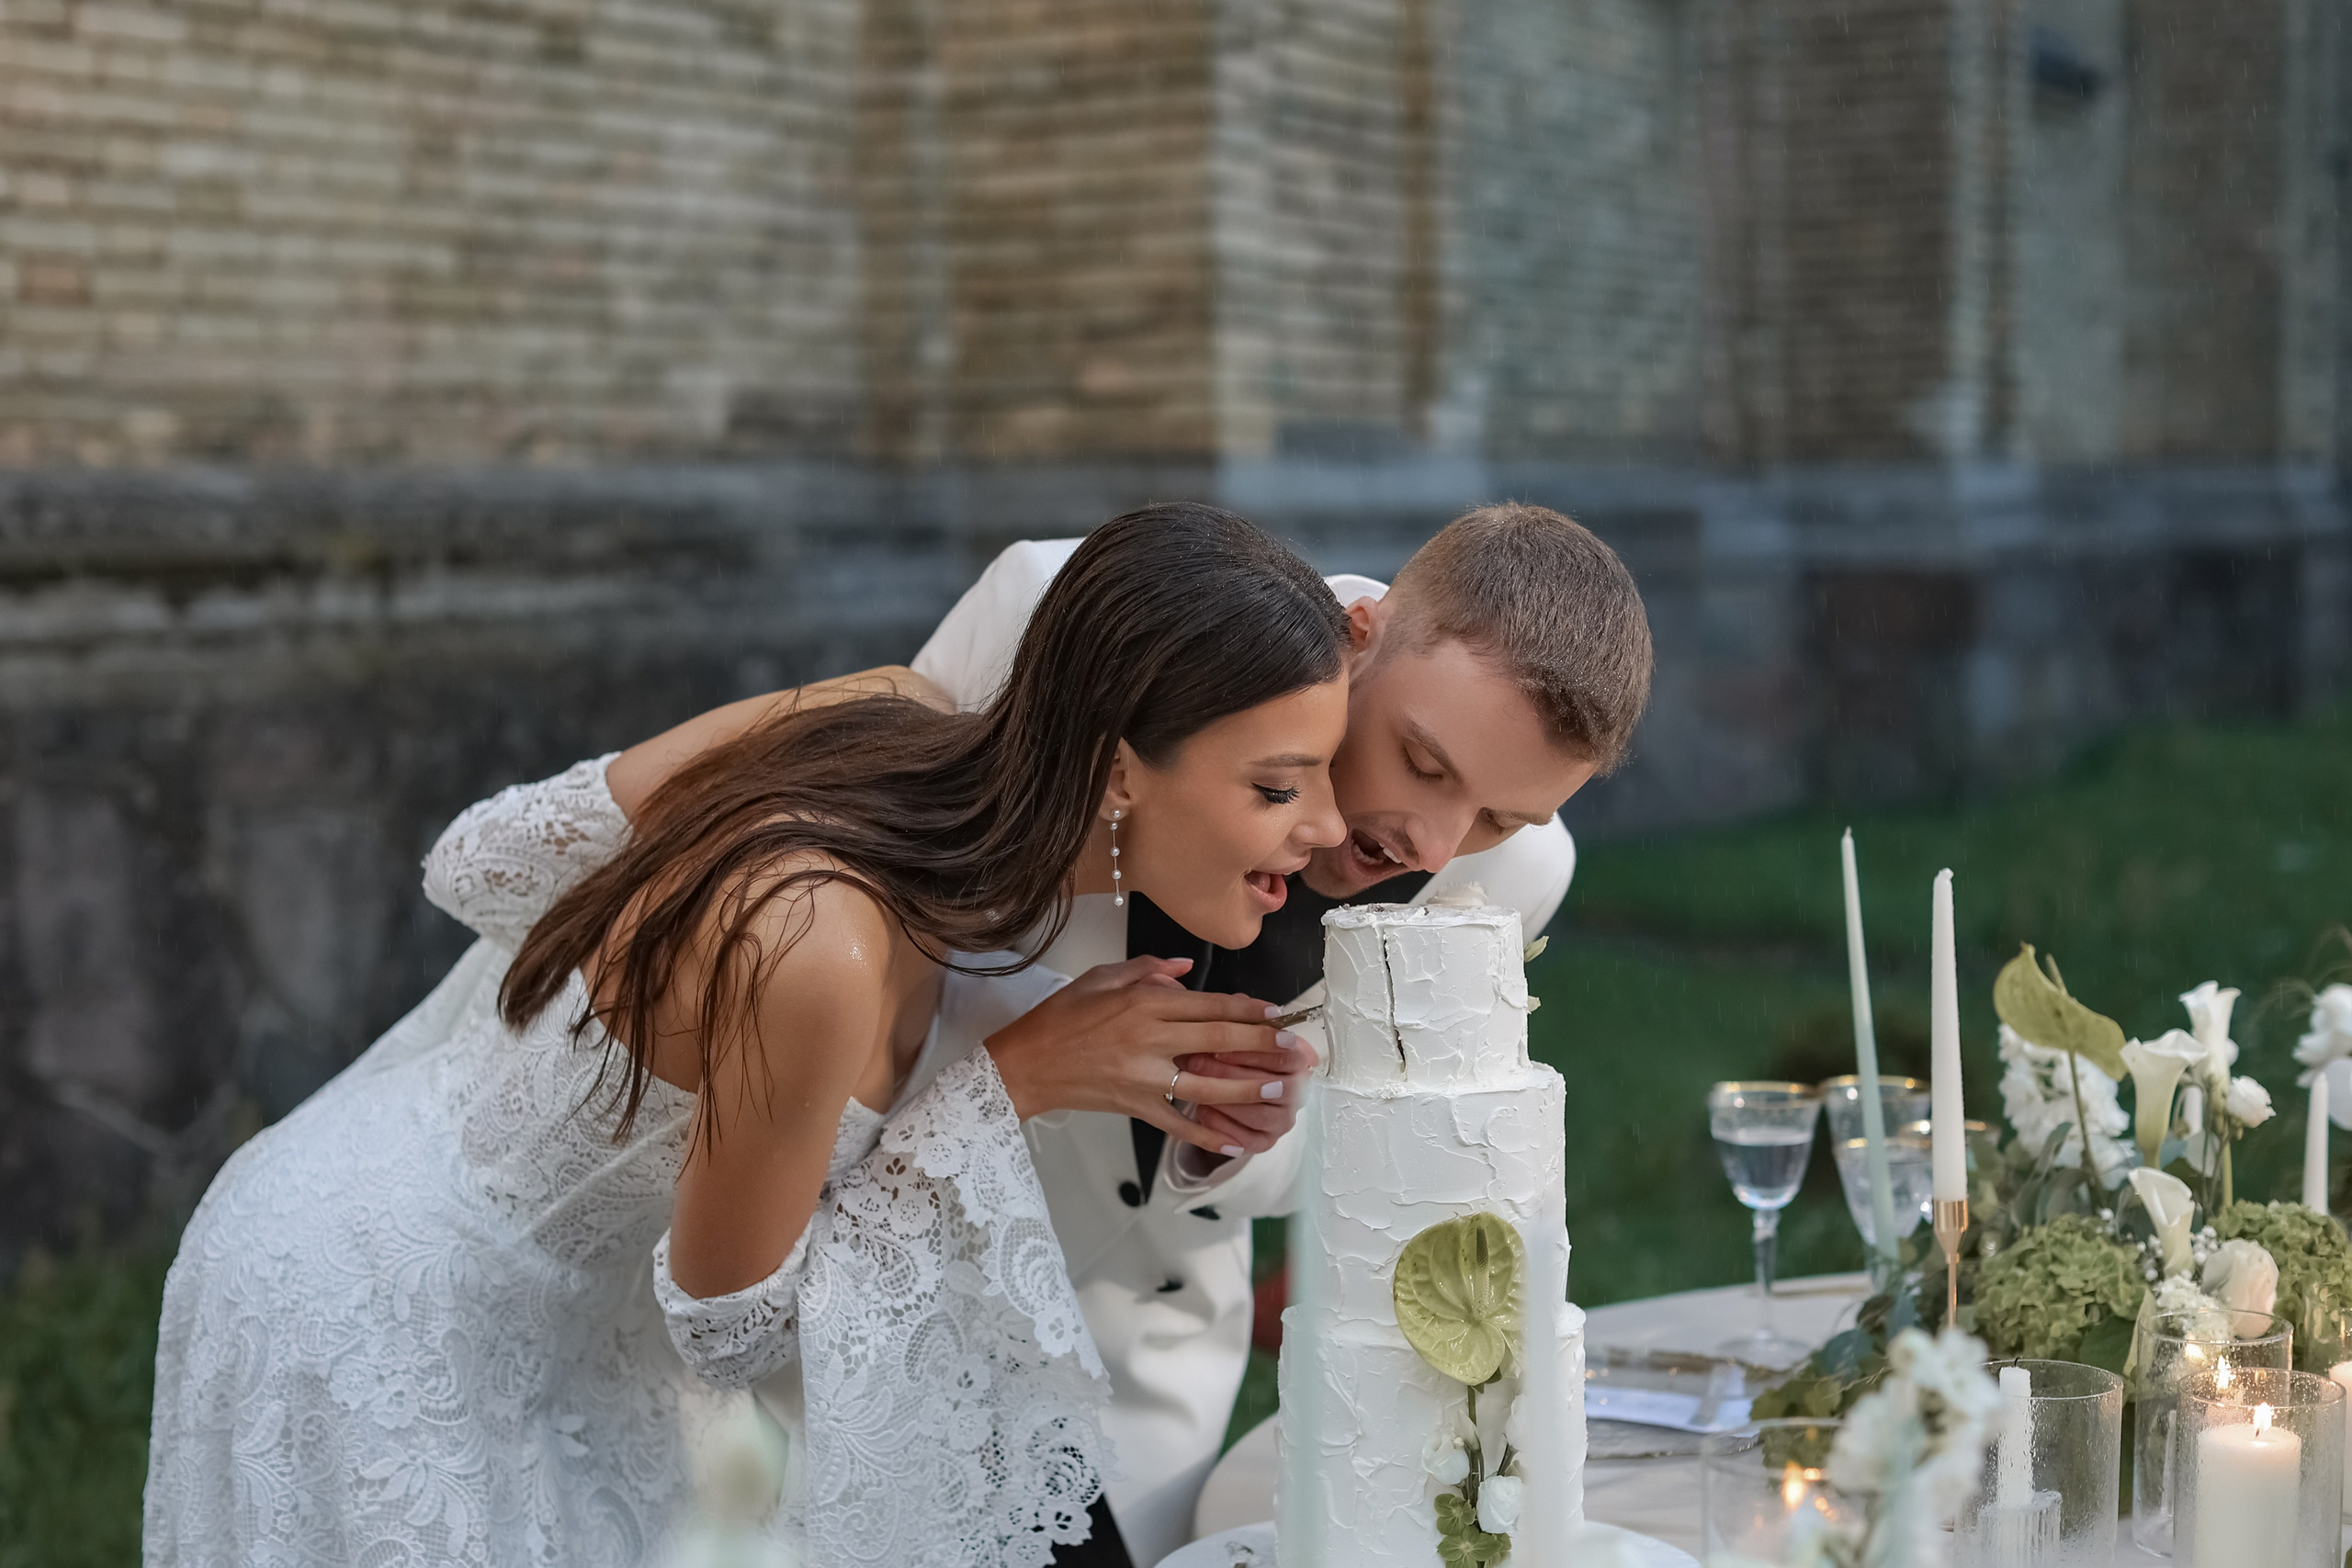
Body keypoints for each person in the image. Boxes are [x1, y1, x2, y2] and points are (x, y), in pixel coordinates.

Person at [143, 507, 1349, 1568]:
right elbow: (729, 1331)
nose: (1331, 826)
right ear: (1118, 769)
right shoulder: (822, 937)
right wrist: (1010, 1087)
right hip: (379, 1298)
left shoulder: (958, 819)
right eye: (1281, 786)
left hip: (591, 1325)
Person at [916, 502, 1655, 1564]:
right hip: (896, 1292)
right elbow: (885, 897)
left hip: (1141, 1382)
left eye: (1499, 817)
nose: (1432, 844)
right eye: (1424, 763)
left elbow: (1357, 1152)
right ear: (1364, 632)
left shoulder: (1516, 880)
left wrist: (1235, 1136)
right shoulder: (1056, 609)